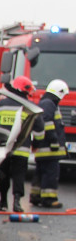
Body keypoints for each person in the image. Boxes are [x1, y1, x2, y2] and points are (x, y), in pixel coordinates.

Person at [0, 75, 37, 212]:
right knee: (19, 176)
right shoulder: (30, 106)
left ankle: (3, 201)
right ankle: (17, 202)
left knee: (3, 174)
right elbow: (39, 127)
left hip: (4, 148)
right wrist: (38, 143)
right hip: (22, 148)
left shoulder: (0, 104)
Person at [31, 79, 69, 208]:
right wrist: (54, 141)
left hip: (43, 147)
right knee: (51, 173)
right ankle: (49, 199)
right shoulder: (49, 104)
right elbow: (46, 122)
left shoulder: (46, 102)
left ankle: (36, 196)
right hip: (49, 148)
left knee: (41, 172)